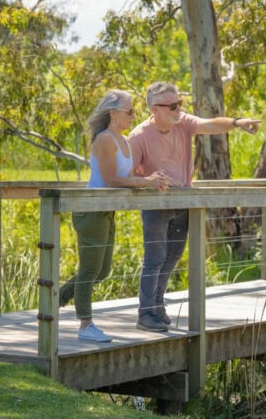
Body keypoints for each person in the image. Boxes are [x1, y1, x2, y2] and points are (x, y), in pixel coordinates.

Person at [129, 82, 261, 332]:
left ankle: (157, 306)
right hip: (155, 206)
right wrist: (148, 183)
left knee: (173, 256)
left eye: (178, 103)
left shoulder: (183, 122)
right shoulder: (138, 137)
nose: (178, 109)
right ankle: (145, 313)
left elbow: (209, 125)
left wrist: (237, 122)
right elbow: (128, 175)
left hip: (184, 201)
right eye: (172, 105)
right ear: (155, 109)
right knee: (155, 258)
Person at [60, 89, 170, 343]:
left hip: (107, 211)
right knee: (89, 269)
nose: (133, 115)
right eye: (129, 111)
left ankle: (55, 298)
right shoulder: (105, 140)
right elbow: (111, 180)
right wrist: (145, 182)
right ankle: (85, 325)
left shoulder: (124, 140)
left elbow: (129, 176)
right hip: (92, 210)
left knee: (103, 271)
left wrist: (156, 179)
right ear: (113, 113)